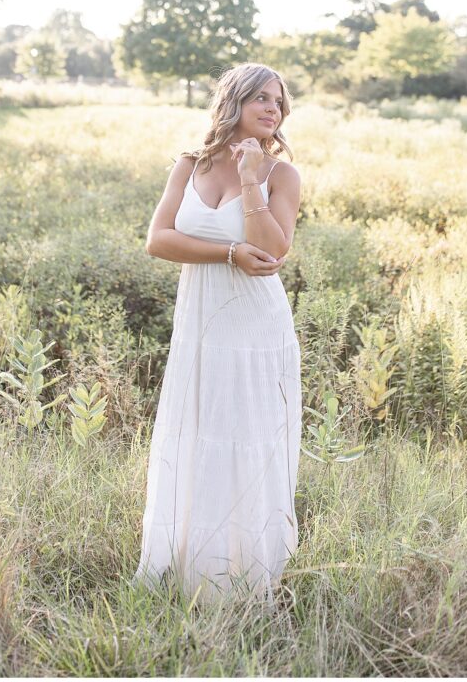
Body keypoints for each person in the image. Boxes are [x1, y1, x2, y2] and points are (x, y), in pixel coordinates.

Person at [130, 63, 303, 607]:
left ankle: (246, 579)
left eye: (279, 101)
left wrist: (251, 177)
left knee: (246, 442)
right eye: (261, 97)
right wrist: (226, 252)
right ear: (233, 100)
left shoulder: (282, 176)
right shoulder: (190, 164)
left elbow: (272, 252)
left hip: (255, 328)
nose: (273, 108)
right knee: (198, 436)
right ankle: (188, 569)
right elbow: (159, 240)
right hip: (201, 327)